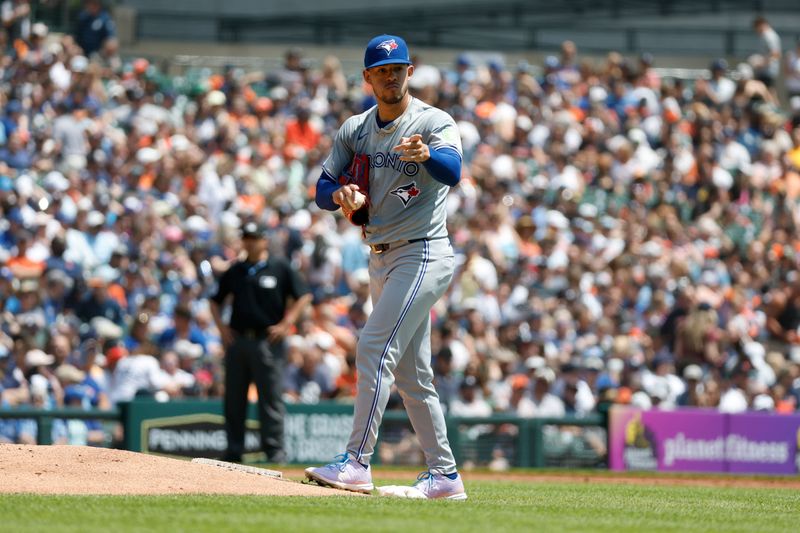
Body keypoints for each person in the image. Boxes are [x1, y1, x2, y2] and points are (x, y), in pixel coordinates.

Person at [305, 34, 467, 500]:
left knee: (374, 348)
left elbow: (453, 171)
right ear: (368, 77)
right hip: (381, 255)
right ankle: (445, 476)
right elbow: (321, 187)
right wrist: (339, 195)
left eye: (399, 68)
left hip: (423, 251)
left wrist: (428, 155)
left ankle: (356, 462)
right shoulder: (355, 129)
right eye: (383, 70)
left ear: (409, 72)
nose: (392, 76)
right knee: (414, 377)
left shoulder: (433, 121)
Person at [210, 221, 311, 464]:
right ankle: (234, 450)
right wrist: (222, 329)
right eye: (246, 237)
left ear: (265, 240)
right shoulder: (236, 270)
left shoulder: (279, 267)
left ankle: (274, 451)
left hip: (268, 341)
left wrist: (287, 324)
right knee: (234, 399)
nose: (249, 242)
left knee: (271, 400)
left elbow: (304, 295)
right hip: (239, 340)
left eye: (254, 237)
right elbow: (215, 300)